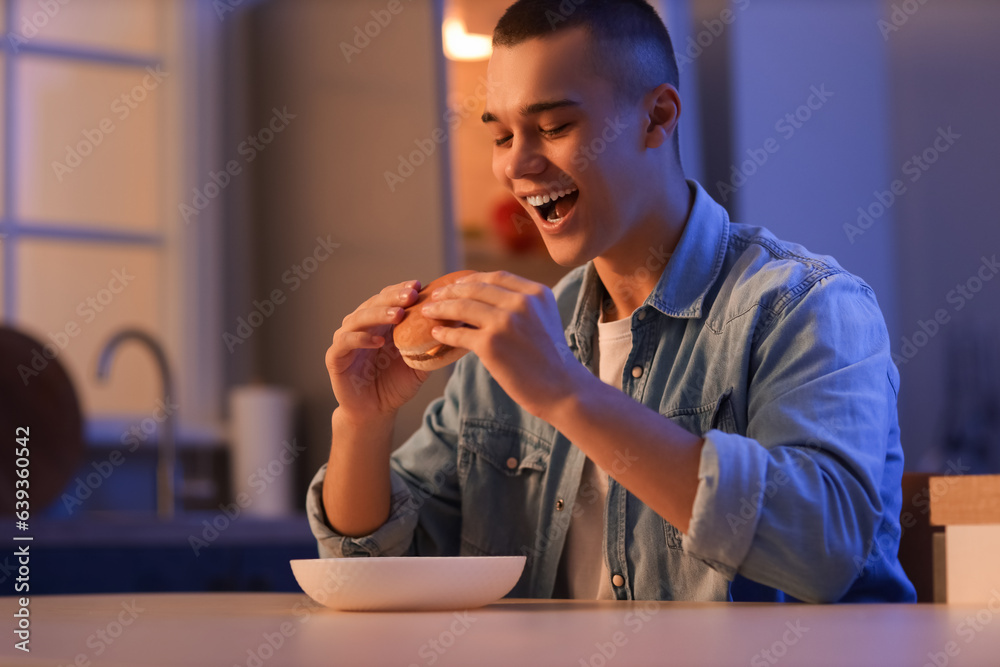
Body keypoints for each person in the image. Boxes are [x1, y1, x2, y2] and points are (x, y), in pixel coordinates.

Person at [308, 0, 916, 603]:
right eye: (500, 134)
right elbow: (374, 572)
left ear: (657, 117)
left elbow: (826, 552)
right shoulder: (508, 345)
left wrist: (566, 393)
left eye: (553, 127)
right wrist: (362, 423)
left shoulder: (805, 308)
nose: (516, 163)